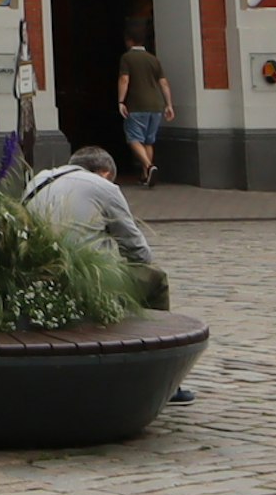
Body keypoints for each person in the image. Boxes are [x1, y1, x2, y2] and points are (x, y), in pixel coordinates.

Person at [24, 148, 188, 395]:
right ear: (105, 173)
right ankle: (162, 377)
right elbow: (138, 251)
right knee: (154, 280)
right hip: (83, 280)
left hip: (33, 278)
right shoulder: (103, 187)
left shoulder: (37, 180)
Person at [115, 30, 171, 187]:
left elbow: (124, 79)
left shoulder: (127, 58)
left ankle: (148, 166)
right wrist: (169, 104)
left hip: (137, 104)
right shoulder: (153, 59)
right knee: (148, 141)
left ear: (129, 41)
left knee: (133, 138)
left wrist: (121, 101)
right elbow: (164, 83)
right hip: (156, 105)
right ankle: (146, 176)